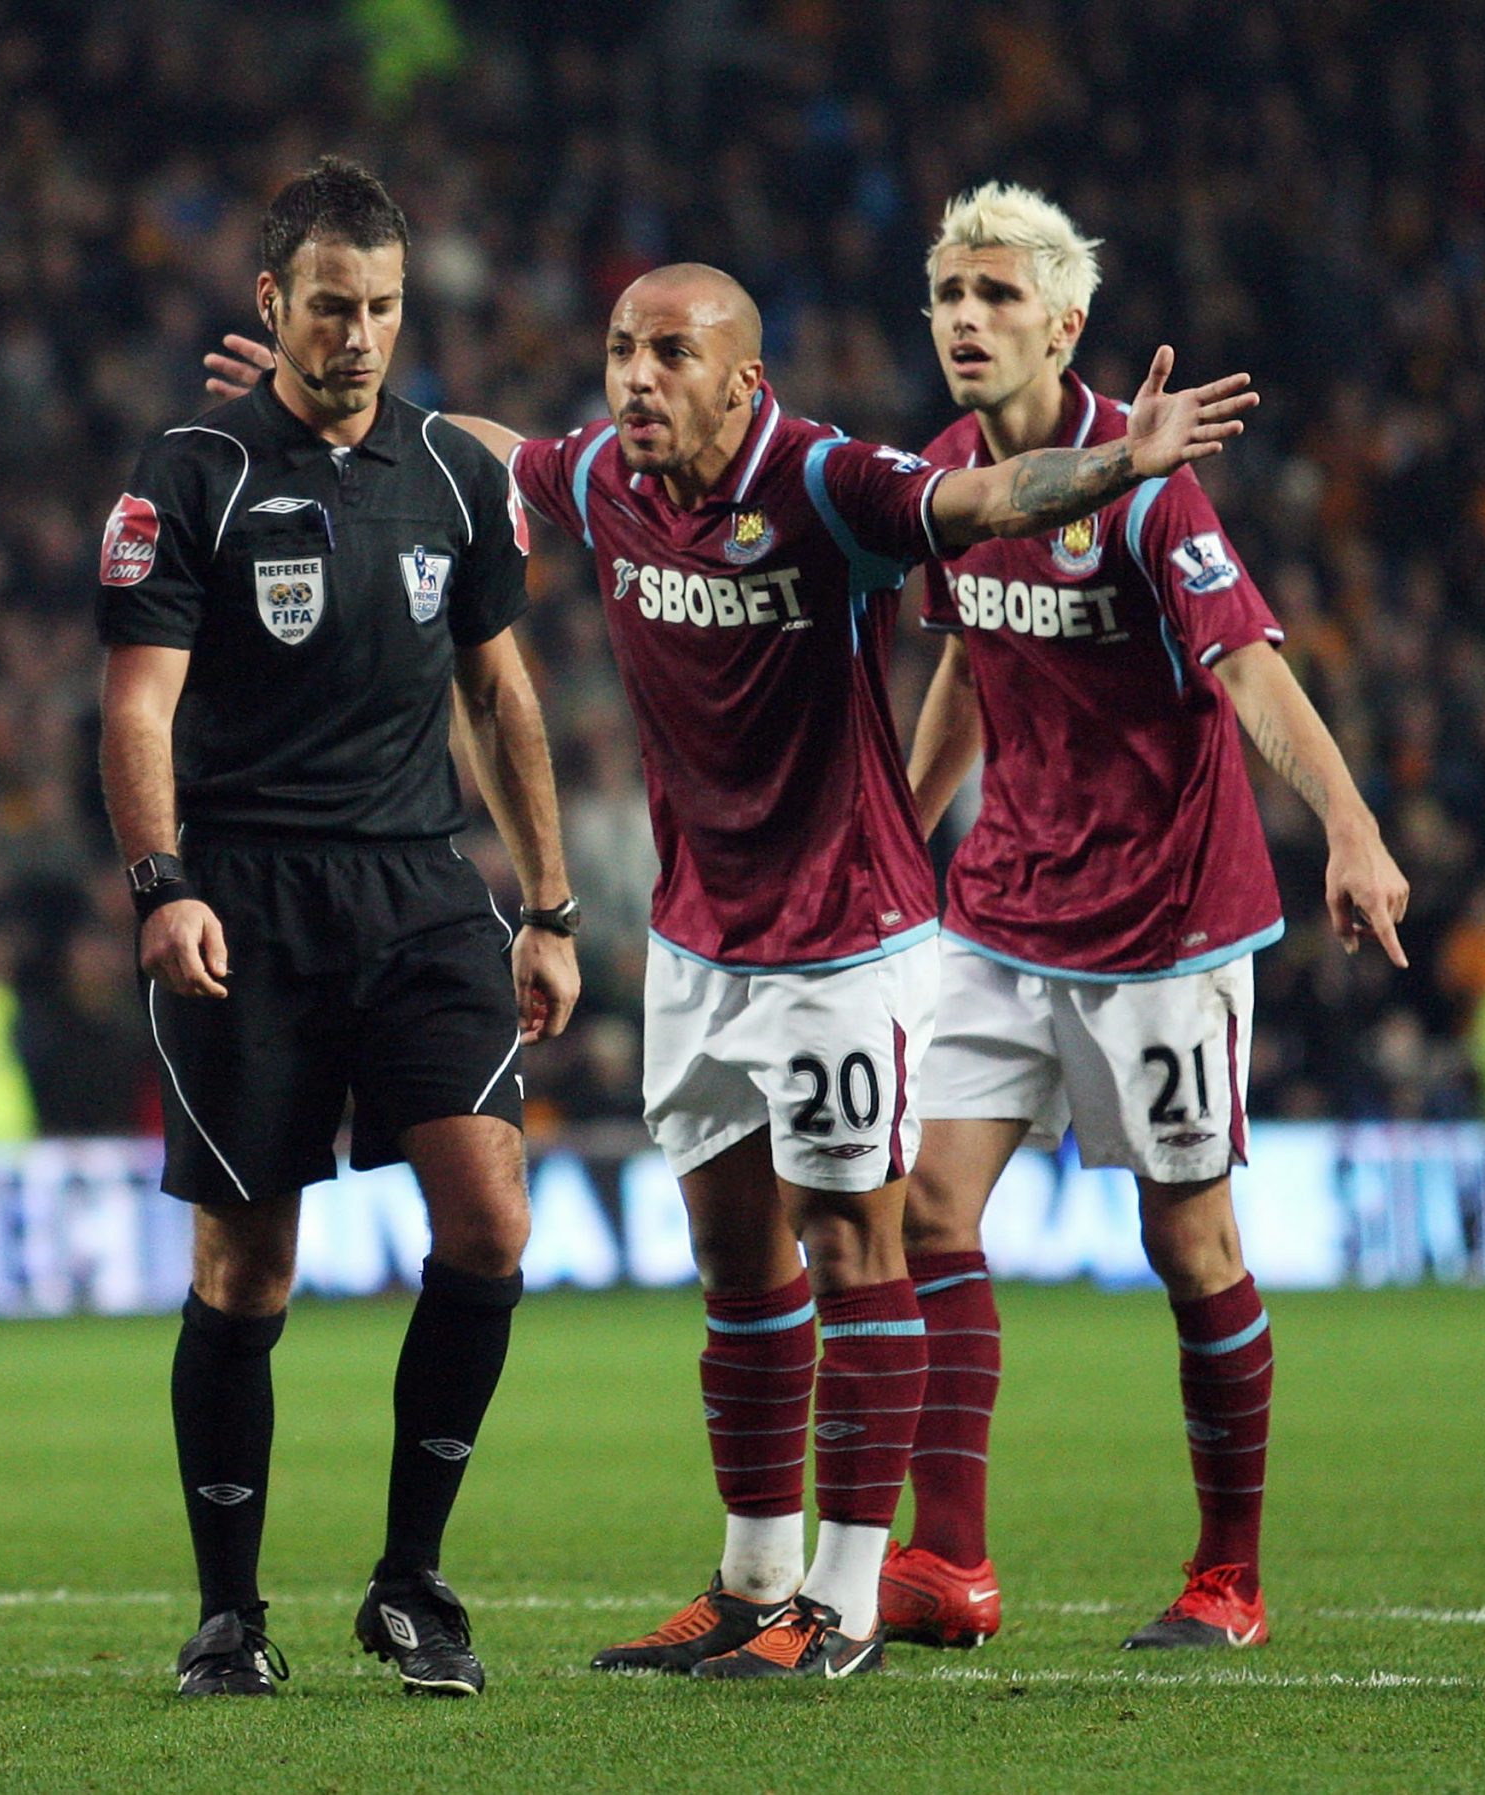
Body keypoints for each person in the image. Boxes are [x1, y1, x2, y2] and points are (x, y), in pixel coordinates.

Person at [219, 256, 1255, 1675]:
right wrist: (315, 408)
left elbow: (978, 501)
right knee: (733, 1256)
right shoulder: (604, 478)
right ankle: (753, 1575)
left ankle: (844, 1599)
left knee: (851, 1245)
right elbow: (485, 443)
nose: (636, 377)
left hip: (844, 937)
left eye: (670, 354)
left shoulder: (827, 483)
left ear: (742, 378)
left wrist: (1111, 470)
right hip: (698, 940)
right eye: (620, 350)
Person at [885, 184, 1411, 1654]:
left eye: (995, 296)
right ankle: (952, 1562)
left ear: (1065, 321)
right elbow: (967, 667)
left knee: (1188, 1243)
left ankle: (1227, 1575)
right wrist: (899, 835)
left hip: (1166, 925)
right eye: (947, 296)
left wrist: (1353, 827)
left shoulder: (1147, 479)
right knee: (931, 1210)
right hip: (1001, 912)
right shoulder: (944, 475)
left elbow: (1246, 666)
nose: (966, 320)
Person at [102, 157, 580, 1699]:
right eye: (330, 304)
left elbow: (504, 692)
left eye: (381, 304)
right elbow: (137, 702)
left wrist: (550, 904)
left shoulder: (451, 470)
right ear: (271, 302)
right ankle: (229, 1611)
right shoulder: (191, 471)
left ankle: (411, 1579)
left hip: (425, 890)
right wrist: (162, 883)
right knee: (249, 1269)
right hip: (247, 896)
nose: (360, 332)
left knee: (492, 1222)